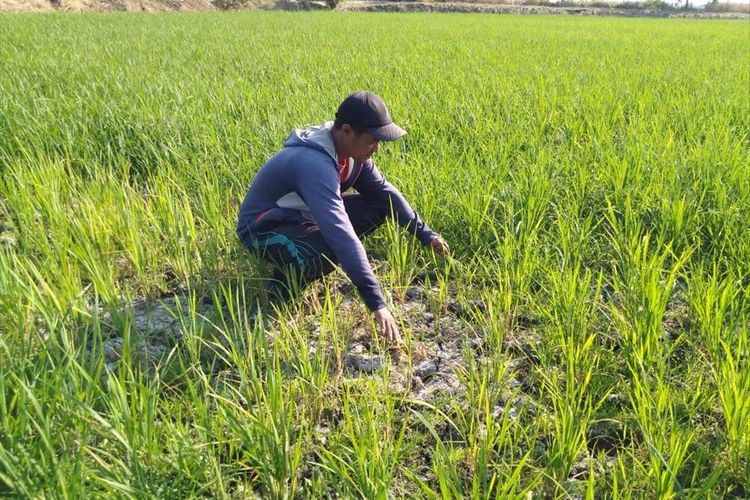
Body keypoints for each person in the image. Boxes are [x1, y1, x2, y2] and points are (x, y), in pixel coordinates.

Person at [236, 91, 449, 342]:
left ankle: (305, 259)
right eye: (371, 140)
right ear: (347, 131)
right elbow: (340, 233)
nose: (376, 148)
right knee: (334, 245)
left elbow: (384, 193)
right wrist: (376, 302)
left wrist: (425, 234)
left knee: (378, 206)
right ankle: (284, 286)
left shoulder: (351, 155)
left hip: (301, 218)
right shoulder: (314, 163)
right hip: (263, 230)